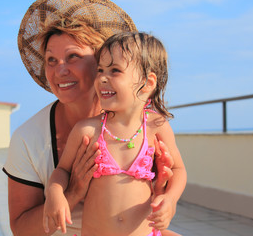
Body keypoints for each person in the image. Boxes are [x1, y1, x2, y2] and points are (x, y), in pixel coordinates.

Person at [3, 0, 180, 235]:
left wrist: (164, 193)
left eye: (73, 56)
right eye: (51, 60)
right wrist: (70, 193)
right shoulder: (31, 138)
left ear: (99, 58)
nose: (60, 70)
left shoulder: (149, 124)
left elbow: (174, 174)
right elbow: (21, 229)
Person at [43, 32, 187, 236]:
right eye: (100, 69)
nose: (102, 78)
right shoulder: (88, 130)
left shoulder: (156, 125)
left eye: (115, 71)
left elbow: (179, 169)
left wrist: (170, 199)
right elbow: (62, 171)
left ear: (147, 83)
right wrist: (55, 193)